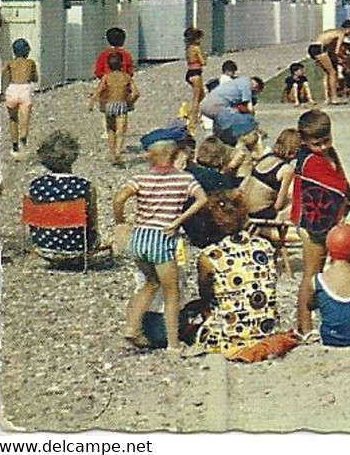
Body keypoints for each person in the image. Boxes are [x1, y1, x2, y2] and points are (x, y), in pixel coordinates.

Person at [115, 127, 211, 351]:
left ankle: (131, 327)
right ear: (173, 154)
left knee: (150, 282)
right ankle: (173, 344)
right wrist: (178, 220)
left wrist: (120, 221)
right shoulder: (183, 179)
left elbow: (119, 198)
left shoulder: (141, 178)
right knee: (171, 292)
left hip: (140, 237)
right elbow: (202, 199)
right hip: (162, 237)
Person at [191, 192, 280, 354]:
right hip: (266, 329)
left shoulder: (210, 257)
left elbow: (206, 295)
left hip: (231, 335)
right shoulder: (264, 246)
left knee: (190, 314)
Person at [292, 110, 350, 338]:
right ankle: (305, 325)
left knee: (323, 270)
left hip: (328, 220)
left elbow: (341, 179)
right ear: (304, 141)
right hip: (312, 224)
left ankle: (319, 314)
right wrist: (344, 193)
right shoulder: (309, 161)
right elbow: (334, 186)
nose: (324, 147)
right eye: (317, 143)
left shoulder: (329, 153)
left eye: (327, 141)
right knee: (311, 273)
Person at [25, 130, 101, 265]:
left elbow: (32, 222)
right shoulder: (84, 186)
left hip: (42, 246)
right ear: (74, 156)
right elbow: (92, 221)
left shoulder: (36, 185)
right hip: (76, 247)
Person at [89, 50, 139, 166]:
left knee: (111, 129)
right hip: (122, 105)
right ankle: (118, 152)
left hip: (109, 105)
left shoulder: (106, 77)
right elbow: (136, 93)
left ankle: (113, 154)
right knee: (121, 131)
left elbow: (99, 91)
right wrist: (130, 102)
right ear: (121, 64)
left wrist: (92, 103)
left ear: (108, 65)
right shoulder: (126, 77)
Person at [242, 128, 300, 223]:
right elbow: (278, 205)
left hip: (245, 209)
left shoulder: (265, 158)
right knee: (297, 203)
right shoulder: (287, 169)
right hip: (261, 213)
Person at [3, 38, 38, 158]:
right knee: (24, 120)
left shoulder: (9, 63)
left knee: (13, 119)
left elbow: (0, 75)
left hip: (12, 89)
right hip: (25, 90)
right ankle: (23, 142)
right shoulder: (30, 63)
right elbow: (35, 78)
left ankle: (14, 147)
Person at [183, 28, 208, 125]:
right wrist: (205, 57)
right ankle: (193, 118)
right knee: (196, 98)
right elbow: (203, 62)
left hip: (190, 71)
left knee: (201, 94)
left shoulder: (188, 49)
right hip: (196, 73)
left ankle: (191, 113)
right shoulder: (196, 49)